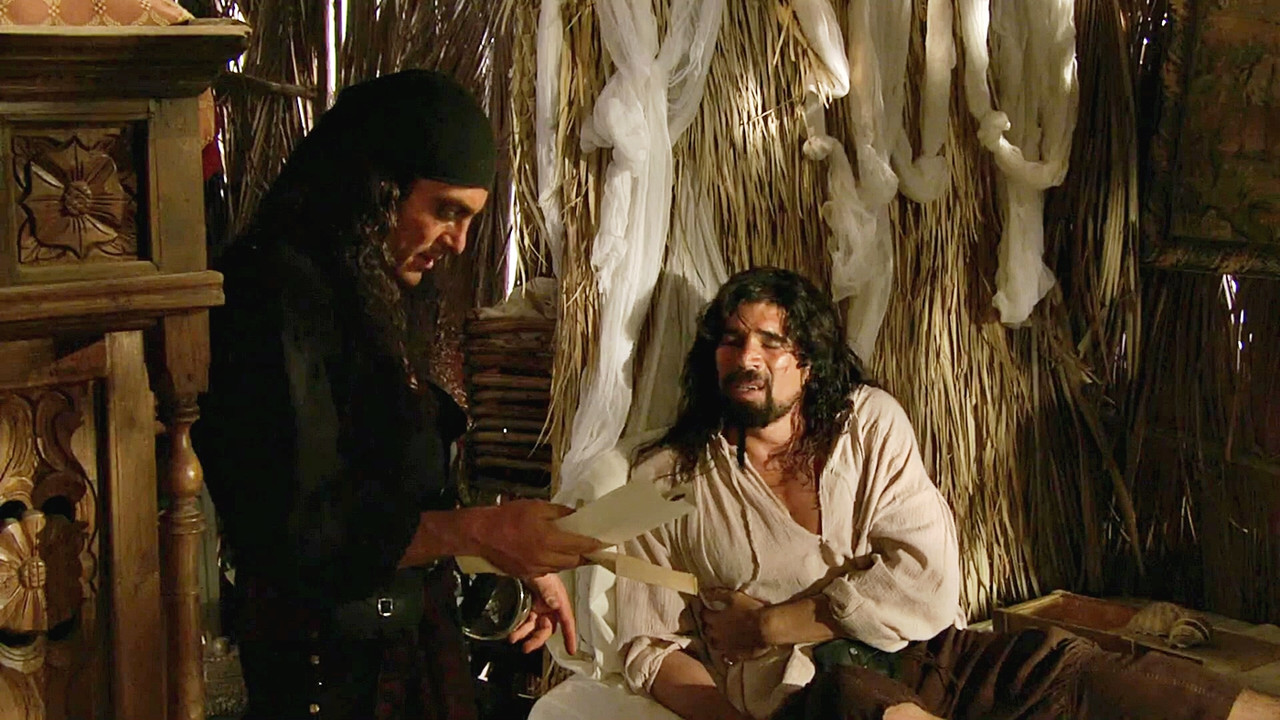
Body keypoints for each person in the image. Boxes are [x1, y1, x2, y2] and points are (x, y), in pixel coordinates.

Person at [615, 267, 1279, 720]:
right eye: (732, 341)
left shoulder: (867, 423)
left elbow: (925, 580)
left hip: (934, 654)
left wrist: (768, 624)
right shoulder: (668, 478)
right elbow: (649, 647)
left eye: (771, 342)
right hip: (810, 692)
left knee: (1075, 669)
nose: (747, 358)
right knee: (857, 698)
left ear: (807, 360)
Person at [196, 70, 601, 720]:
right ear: (376, 188)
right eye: (446, 211)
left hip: (405, 649)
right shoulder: (271, 296)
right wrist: (480, 531)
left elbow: (394, 493)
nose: (459, 242)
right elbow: (302, 529)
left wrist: (501, 552)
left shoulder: (378, 294)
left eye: (470, 219)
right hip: (325, 673)